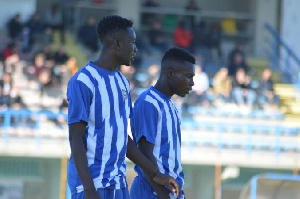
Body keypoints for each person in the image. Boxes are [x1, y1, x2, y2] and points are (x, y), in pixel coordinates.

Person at [66, 15, 180, 199]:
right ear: (117, 44)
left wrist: (156, 173)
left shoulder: (122, 83)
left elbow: (122, 139)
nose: (135, 49)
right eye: (132, 43)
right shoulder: (83, 81)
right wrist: (89, 191)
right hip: (90, 185)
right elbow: (75, 139)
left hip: (118, 184)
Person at [130, 47, 196, 199]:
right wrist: (163, 195)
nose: (192, 83)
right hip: (151, 192)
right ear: (170, 73)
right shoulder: (149, 102)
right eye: (188, 76)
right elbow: (145, 154)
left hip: (168, 192)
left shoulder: (170, 105)